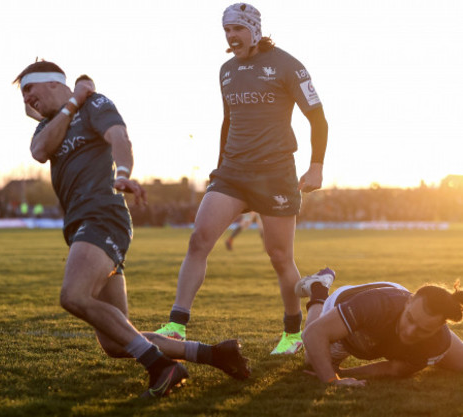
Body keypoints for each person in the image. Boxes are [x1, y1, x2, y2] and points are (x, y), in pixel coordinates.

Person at [15, 61, 251, 398]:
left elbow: (118, 137)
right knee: (116, 341)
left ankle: (161, 367)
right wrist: (71, 103)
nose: (26, 100)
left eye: (28, 89)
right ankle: (216, 354)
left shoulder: (95, 105)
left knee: (73, 296)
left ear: (52, 82)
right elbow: (39, 152)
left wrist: (123, 171)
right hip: (82, 225)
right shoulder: (48, 126)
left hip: (101, 216)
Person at [155, 3, 329, 355]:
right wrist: (219, 165)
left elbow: (318, 118)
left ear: (254, 30)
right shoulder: (226, 70)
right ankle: (176, 324)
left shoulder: (288, 65)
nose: (232, 36)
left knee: (279, 256)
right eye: (227, 31)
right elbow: (227, 121)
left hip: (275, 175)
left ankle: (292, 333)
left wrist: (316, 166)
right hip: (232, 173)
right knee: (199, 239)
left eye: (237, 29)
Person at [297, 268, 463, 386]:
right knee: (314, 362)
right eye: (410, 319)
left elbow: (395, 369)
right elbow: (313, 334)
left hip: (391, 303)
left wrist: (345, 373)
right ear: (409, 301)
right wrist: (332, 379)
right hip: (349, 305)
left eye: (424, 329)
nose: (411, 331)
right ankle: (318, 291)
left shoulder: (439, 341)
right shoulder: (375, 306)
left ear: (439, 327)